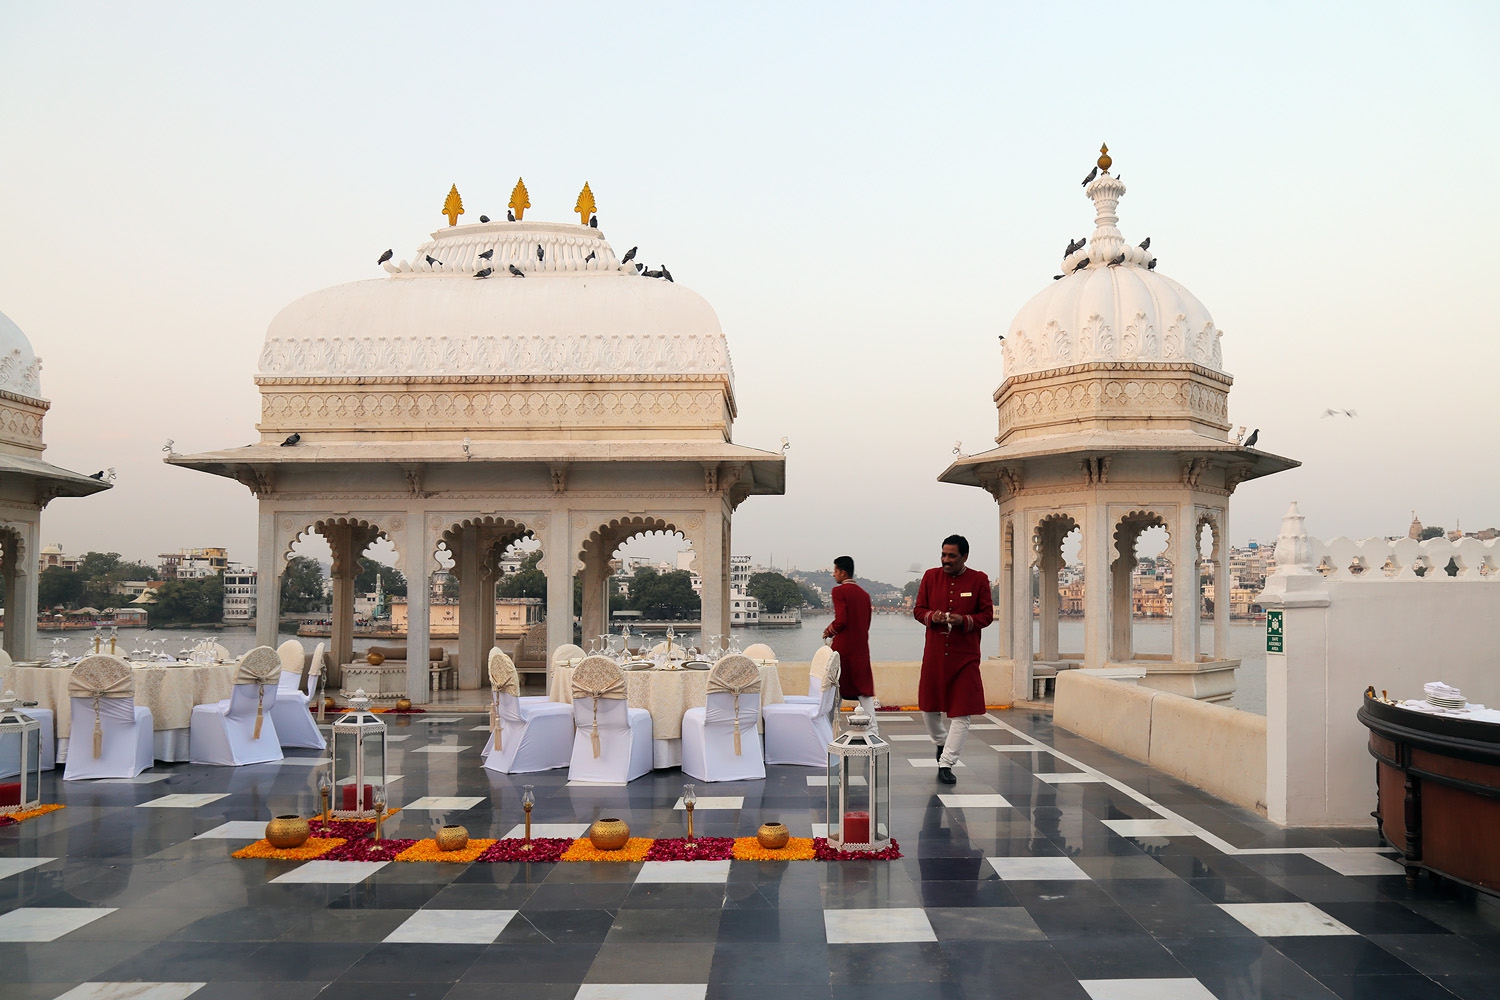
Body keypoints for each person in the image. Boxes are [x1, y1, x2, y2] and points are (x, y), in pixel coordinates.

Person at [913, 533, 993, 784]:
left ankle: (946, 763)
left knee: (962, 713)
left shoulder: (979, 580)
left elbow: (987, 615)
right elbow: (918, 610)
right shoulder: (930, 576)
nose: (946, 560)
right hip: (935, 654)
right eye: (943, 555)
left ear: (964, 557)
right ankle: (940, 743)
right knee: (929, 708)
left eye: (952, 556)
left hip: (965, 657)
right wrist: (932, 617)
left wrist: (964, 621)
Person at [822, 555, 875, 730]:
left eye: (835, 571)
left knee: (834, 691)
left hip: (843, 648)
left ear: (843, 573)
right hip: (861, 647)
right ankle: (873, 730)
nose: (834, 574)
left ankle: (828, 730)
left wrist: (829, 631)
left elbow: (841, 620)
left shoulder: (839, 592)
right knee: (864, 691)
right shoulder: (865, 595)